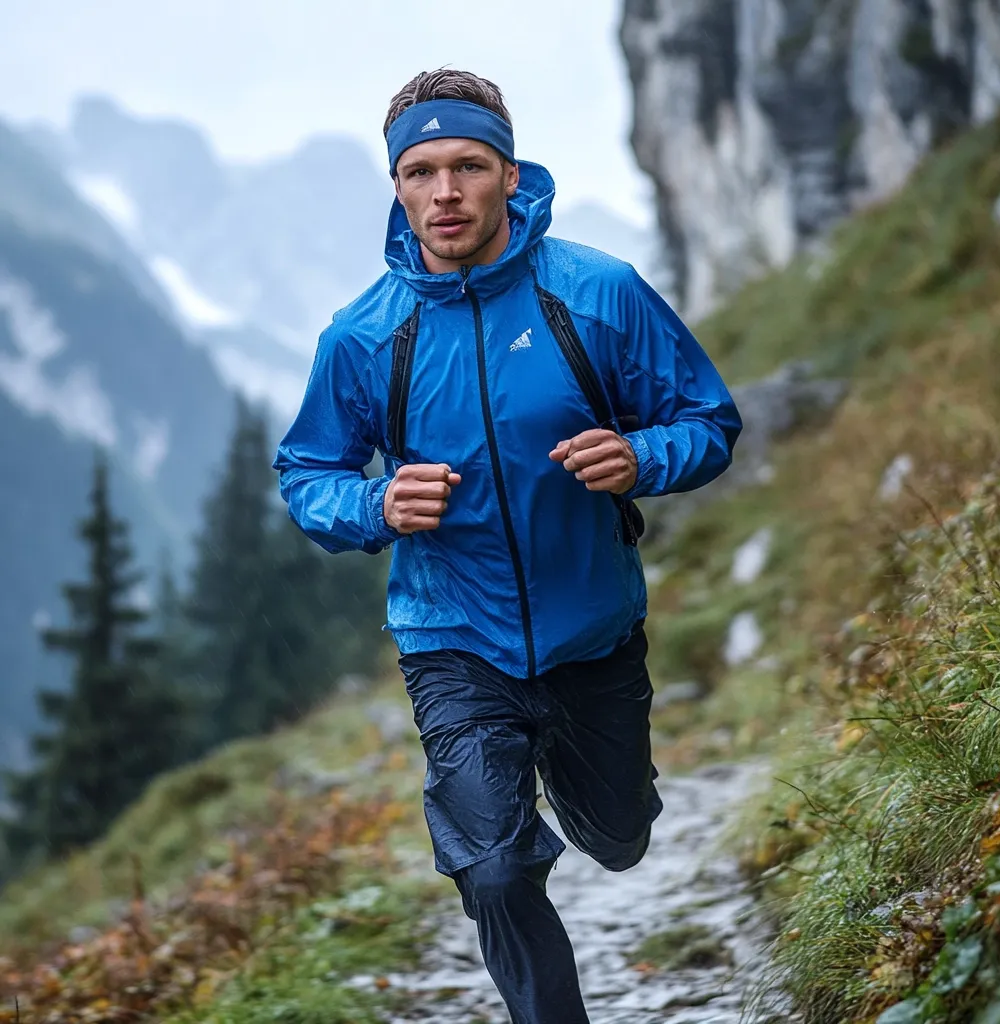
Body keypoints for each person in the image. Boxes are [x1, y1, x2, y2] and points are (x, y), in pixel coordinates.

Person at [274, 68, 742, 1024]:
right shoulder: (366, 336)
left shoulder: (598, 294)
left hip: (594, 631)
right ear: (397, 186)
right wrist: (374, 506)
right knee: (491, 871)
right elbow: (306, 473)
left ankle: (594, 804)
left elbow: (709, 418)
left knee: (618, 838)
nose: (445, 193)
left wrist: (641, 455)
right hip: (452, 637)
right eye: (419, 172)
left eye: (468, 166)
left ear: (509, 173)